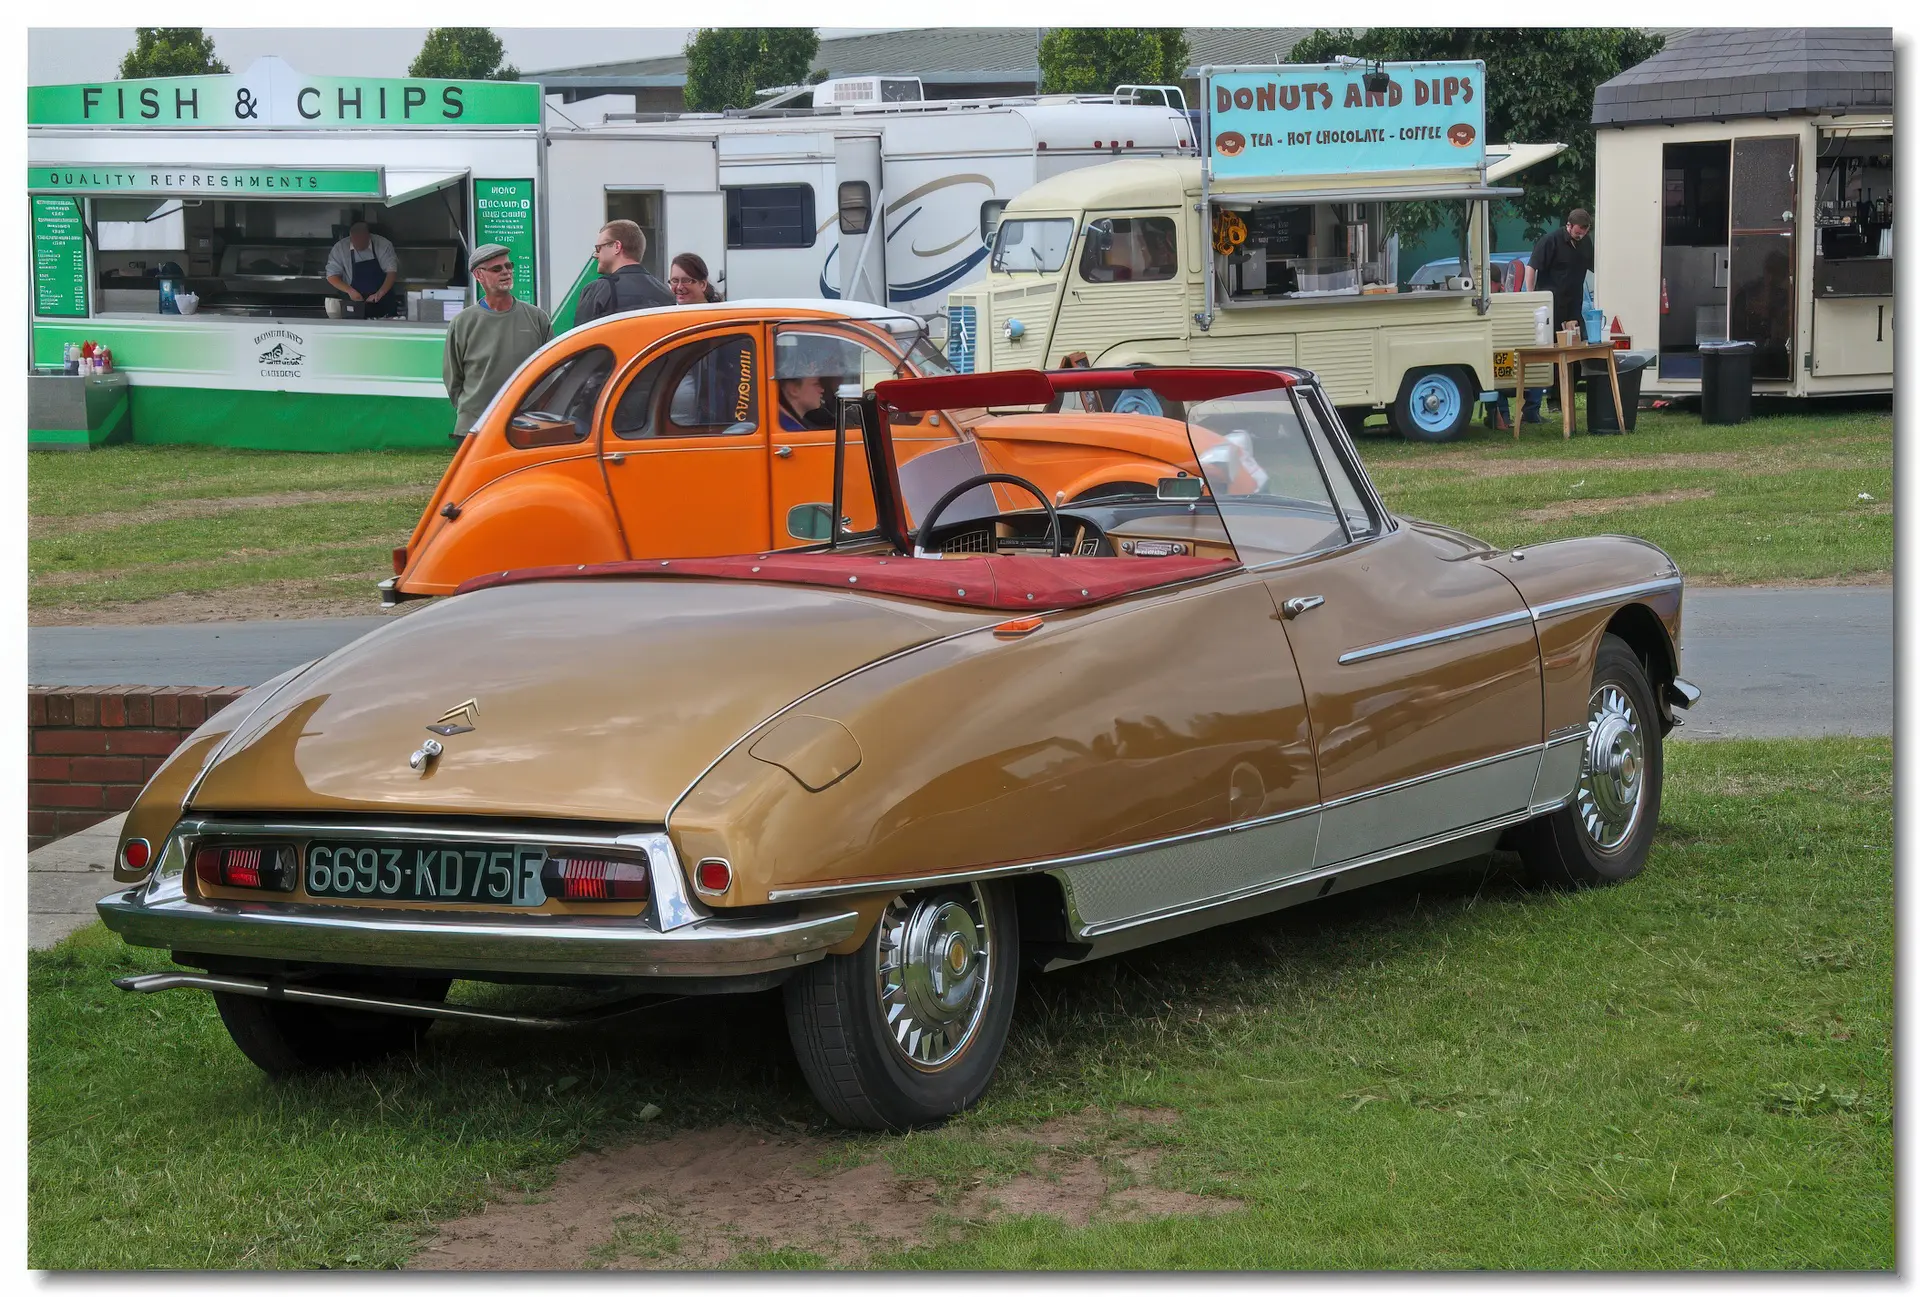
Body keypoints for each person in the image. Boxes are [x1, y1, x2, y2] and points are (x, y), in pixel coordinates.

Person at [442, 243, 553, 435]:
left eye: (508, 266)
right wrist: (470, 410)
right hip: (475, 426)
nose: (506, 272)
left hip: (526, 426)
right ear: (478, 275)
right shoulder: (463, 322)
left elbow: (551, 369)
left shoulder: (536, 317)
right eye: (497, 268)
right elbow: (453, 378)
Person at [573, 220, 672, 327]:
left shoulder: (599, 290)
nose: (596, 255)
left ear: (617, 247)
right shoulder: (666, 293)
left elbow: (581, 340)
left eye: (599, 248)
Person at [325, 221, 401, 319]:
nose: (359, 245)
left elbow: (391, 272)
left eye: (362, 242)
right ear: (350, 238)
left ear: (369, 236)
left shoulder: (383, 245)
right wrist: (350, 291)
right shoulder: (340, 248)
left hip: (382, 300)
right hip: (353, 302)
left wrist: (379, 293)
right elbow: (332, 276)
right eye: (355, 242)